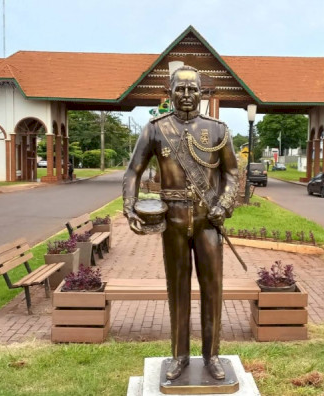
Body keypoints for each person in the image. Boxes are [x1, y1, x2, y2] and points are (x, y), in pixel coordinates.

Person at [122, 66, 238, 381]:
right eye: (180, 89)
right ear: (170, 91)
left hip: (207, 220)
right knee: (178, 289)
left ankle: (212, 355)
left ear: (202, 92)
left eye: (193, 89)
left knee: (213, 289)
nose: (186, 95)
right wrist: (129, 205)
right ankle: (179, 356)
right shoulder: (155, 129)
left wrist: (224, 205)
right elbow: (133, 171)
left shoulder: (217, 130)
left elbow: (231, 174)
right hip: (171, 219)